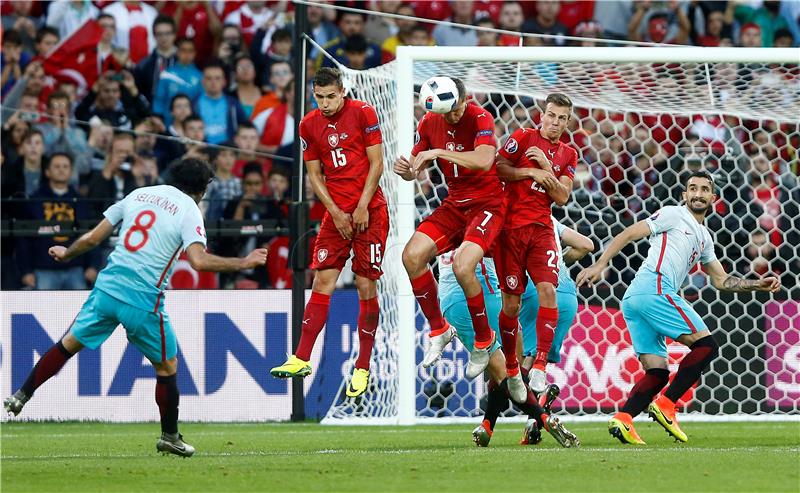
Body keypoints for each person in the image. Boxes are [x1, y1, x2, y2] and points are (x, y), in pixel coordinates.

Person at [3, 158, 269, 457]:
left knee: (68, 344)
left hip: (107, 288)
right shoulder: (189, 209)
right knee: (167, 367)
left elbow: (93, 238)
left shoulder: (139, 194)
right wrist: (243, 262)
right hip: (143, 299)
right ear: (202, 188)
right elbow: (199, 260)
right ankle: (170, 436)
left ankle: (20, 395)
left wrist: (67, 253)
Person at [577, 170, 781, 445]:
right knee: (707, 345)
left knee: (658, 371)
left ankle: (624, 418)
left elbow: (721, 280)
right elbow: (629, 232)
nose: (698, 194)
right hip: (654, 287)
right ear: (684, 195)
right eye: (693, 189)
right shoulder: (673, 214)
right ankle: (667, 404)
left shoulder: (705, 237)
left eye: (704, 189)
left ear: (713, 197)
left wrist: (758, 285)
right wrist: (601, 264)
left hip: (635, 298)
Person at [270, 68, 388, 399]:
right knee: (322, 281)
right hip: (335, 217)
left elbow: (376, 164)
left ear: (343, 91)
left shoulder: (363, 113)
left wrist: (362, 206)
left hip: (371, 214)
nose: (324, 103)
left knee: (366, 285)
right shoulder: (308, 124)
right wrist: (335, 212)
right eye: (319, 97)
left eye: (330, 97)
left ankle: (363, 367)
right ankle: (301, 358)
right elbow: (314, 175)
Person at [393, 76, 503, 380]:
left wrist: (438, 153)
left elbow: (484, 160)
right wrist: (407, 171)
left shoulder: (481, 117)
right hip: (455, 205)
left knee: (461, 266)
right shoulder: (429, 122)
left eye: (456, 109)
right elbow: (414, 168)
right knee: (411, 257)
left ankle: (484, 340)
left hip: (487, 205)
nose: (453, 116)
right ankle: (439, 329)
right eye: (447, 113)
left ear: (465, 99)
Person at [436, 251, 580, 449]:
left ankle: (506, 423)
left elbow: (419, 261)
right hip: (489, 291)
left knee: (503, 370)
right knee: (511, 368)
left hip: (455, 300)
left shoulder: (441, 227)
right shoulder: (485, 223)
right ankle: (537, 415)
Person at [493, 93, 577, 396]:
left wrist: (548, 170)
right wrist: (530, 170)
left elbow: (563, 197)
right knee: (511, 304)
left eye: (562, 118)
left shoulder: (568, 154)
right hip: (509, 231)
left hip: (541, 229)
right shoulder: (522, 137)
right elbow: (498, 168)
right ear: (542, 114)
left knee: (548, 290)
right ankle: (513, 367)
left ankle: (540, 364)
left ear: (568, 121)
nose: (555, 122)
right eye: (551, 115)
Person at [518, 217, 593, 393]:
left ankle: (498, 407)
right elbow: (586, 245)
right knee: (537, 358)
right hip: (566, 291)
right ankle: (538, 412)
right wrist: (558, 262)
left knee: (524, 360)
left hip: (534, 287)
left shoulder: (512, 213)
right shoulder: (549, 218)